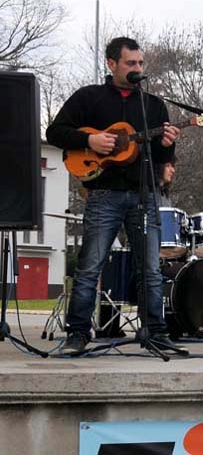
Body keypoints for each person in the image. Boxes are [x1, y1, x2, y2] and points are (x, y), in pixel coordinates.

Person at [46, 37, 184, 354]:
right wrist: (90, 140)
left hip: (143, 194)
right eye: (130, 63)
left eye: (140, 63)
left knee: (150, 268)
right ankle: (78, 333)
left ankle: (155, 332)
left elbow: (162, 156)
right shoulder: (89, 97)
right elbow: (55, 132)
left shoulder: (153, 105)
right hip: (104, 193)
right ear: (112, 64)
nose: (137, 68)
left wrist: (168, 144)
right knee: (90, 266)